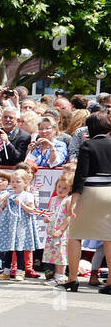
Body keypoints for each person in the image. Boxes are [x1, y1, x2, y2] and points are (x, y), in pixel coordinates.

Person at [64, 109, 111, 292]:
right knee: (109, 237)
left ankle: (72, 278)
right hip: (110, 191)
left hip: (91, 191)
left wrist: (74, 199)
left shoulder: (87, 146)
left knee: (76, 235)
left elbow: (80, 175)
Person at [0, 169, 43, 279]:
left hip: (21, 226)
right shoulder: (9, 194)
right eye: (13, 181)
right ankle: (6, 271)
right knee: (9, 250)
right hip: (10, 225)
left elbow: (31, 210)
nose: (15, 184)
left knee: (20, 250)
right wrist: (3, 205)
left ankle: (20, 272)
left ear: (25, 183)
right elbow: (4, 203)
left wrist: (22, 204)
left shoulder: (27, 195)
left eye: (18, 181)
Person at [44, 166, 75, 282]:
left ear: (70, 189)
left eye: (65, 188)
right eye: (59, 187)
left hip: (62, 232)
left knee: (61, 253)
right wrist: (47, 218)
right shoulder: (53, 200)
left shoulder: (68, 200)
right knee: (53, 253)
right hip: (52, 230)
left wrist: (61, 229)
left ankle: (61, 275)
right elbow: (51, 213)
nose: (61, 190)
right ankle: (55, 275)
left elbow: (69, 217)